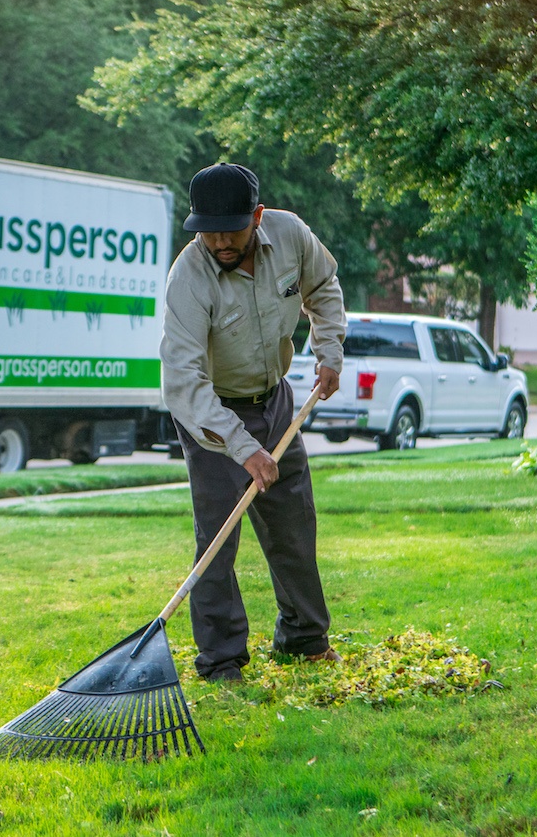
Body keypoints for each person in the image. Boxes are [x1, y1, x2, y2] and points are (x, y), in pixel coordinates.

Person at [161, 162, 347, 683]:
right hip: (214, 416)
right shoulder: (189, 279)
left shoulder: (290, 235)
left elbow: (324, 285)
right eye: (207, 229)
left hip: (277, 399)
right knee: (218, 539)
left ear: (258, 216)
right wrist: (243, 448)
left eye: (231, 228)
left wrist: (328, 353)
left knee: (293, 523)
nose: (218, 240)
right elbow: (183, 382)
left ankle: (304, 639)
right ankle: (221, 660)